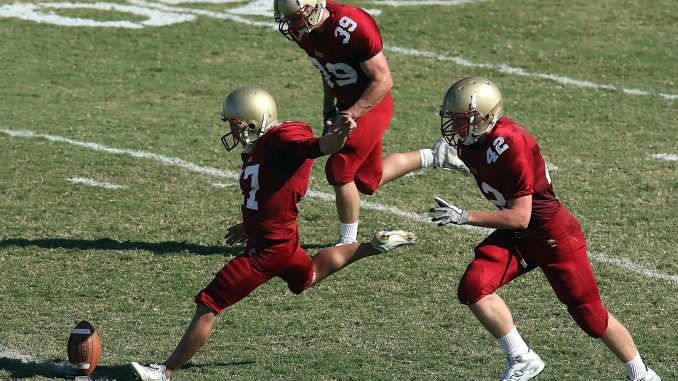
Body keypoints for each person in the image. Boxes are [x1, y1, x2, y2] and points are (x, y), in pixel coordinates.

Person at [130, 86, 418, 381]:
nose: (233, 129)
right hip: (281, 240)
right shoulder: (260, 147)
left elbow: (318, 146)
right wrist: (250, 224)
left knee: (209, 303)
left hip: (266, 252)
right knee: (308, 277)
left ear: (255, 119)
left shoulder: (283, 137)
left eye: (237, 122)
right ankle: (374, 245)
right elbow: (269, 191)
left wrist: (339, 136)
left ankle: (164, 372)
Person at [428, 76, 661, 381]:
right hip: (522, 236)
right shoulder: (472, 143)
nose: (456, 128)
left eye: (462, 120)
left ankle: (642, 374)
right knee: (474, 287)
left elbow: (520, 217)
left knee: (589, 316)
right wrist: (430, 158)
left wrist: (464, 216)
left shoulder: (511, 143)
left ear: (483, 117)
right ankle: (522, 358)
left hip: (552, 234)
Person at [273, 0, 466, 245]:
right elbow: (328, 71)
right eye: (287, 19)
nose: (290, 24)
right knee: (368, 180)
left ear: (312, 10)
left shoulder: (351, 25)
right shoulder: (307, 33)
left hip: (372, 105)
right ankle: (437, 155)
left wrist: (351, 114)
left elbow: (383, 80)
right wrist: (329, 108)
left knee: (339, 169)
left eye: (294, 18)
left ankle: (347, 242)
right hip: (346, 106)